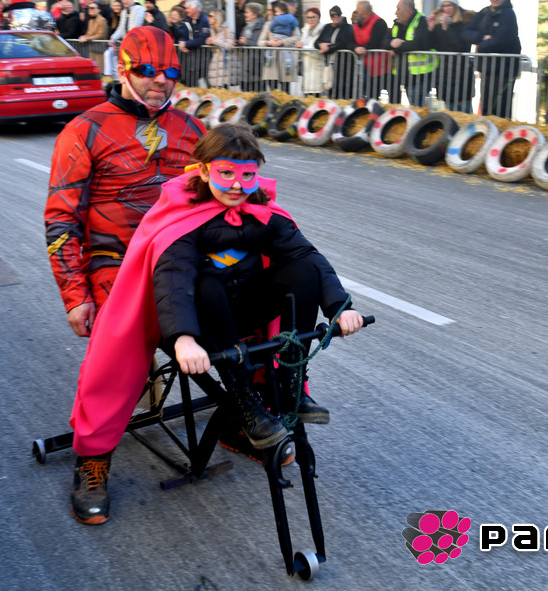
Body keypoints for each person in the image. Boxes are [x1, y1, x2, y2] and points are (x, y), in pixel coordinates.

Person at [66, 122, 364, 524]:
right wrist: (183, 339)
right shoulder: (183, 216)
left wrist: (339, 307)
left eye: (247, 174)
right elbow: (174, 279)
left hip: (244, 312)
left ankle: (289, 386)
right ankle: (96, 457)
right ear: (204, 171)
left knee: (302, 270)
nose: (238, 185)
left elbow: (306, 255)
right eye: (226, 172)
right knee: (198, 289)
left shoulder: (261, 210)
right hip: (192, 319)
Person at [47, 26, 207, 524]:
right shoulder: (84, 130)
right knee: (120, 344)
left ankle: (254, 411)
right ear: (123, 69)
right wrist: (75, 293)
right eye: (149, 70)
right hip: (114, 264)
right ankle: (93, 457)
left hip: (183, 259)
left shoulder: (194, 130)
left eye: (171, 71)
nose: (161, 80)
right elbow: (61, 219)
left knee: (263, 294)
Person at [462, 0, 521, 118]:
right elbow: (465, 32)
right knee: (487, 109)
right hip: (487, 69)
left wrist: (481, 46)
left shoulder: (509, 14)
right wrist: (482, 37)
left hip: (505, 70)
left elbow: (501, 40)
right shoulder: (484, 12)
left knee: (501, 111)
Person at [427, 0, 474, 113]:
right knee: (450, 113)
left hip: (462, 74)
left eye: (449, 5)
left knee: (465, 113)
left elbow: (460, 46)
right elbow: (432, 45)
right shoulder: (439, 24)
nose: (446, 8)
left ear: (455, 6)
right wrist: (430, 29)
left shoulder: (465, 22)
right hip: (445, 74)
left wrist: (446, 29)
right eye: (444, 6)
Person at [387, 0, 436, 106]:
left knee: (417, 108)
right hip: (402, 74)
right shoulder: (397, 23)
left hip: (419, 76)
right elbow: (385, 41)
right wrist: (392, 43)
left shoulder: (421, 21)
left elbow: (417, 44)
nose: (396, 12)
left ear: (408, 11)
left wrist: (396, 47)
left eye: (398, 9)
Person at [352, 0, 390, 98]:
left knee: (391, 97)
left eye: (357, 12)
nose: (356, 14)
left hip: (382, 68)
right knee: (370, 97)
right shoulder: (357, 24)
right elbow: (349, 41)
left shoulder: (379, 23)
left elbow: (375, 42)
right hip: (366, 67)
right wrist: (355, 48)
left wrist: (362, 48)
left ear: (364, 13)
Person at [316, 6, 355, 99]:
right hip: (329, 63)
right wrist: (321, 45)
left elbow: (343, 43)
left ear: (341, 15)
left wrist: (328, 48)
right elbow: (317, 41)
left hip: (343, 65)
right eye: (332, 15)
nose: (335, 17)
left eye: (337, 14)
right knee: (329, 87)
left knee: (342, 91)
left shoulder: (347, 28)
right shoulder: (327, 27)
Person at [259, 1, 298, 93]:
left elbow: (297, 37)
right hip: (271, 61)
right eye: (268, 10)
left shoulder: (290, 21)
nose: (268, 12)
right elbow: (260, 42)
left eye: (270, 10)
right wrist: (269, 42)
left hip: (285, 60)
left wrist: (282, 41)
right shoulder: (268, 24)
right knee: (273, 91)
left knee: (285, 91)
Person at [179, 0, 211, 87]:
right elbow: (183, 33)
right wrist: (182, 42)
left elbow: (203, 39)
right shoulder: (187, 20)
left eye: (188, 8)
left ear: (195, 8)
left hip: (204, 59)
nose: (186, 10)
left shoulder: (205, 20)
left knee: (208, 83)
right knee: (191, 83)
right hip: (191, 58)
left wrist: (186, 44)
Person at [205, 9, 238, 88]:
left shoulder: (227, 30)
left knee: (223, 87)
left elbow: (229, 46)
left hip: (226, 64)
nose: (208, 18)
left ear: (217, 18)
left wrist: (215, 41)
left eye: (211, 16)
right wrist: (211, 43)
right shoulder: (213, 30)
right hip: (217, 63)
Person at [298, 7, 325, 97]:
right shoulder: (305, 30)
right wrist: (298, 47)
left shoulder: (322, 30)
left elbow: (318, 50)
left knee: (316, 96)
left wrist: (303, 47)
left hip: (317, 69)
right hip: (306, 69)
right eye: (308, 17)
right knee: (307, 97)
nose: (311, 19)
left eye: (313, 17)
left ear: (319, 17)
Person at [237, 2, 265, 91]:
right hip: (245, 64)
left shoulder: (261, 27)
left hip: (256, 65)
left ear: (255, 15)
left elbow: (259, 44)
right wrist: (237, 42)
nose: (245, 14)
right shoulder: (247, 27)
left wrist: (247, 42)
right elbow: (243, 41)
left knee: (256, 92)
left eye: (247, 12)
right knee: (244, 90)